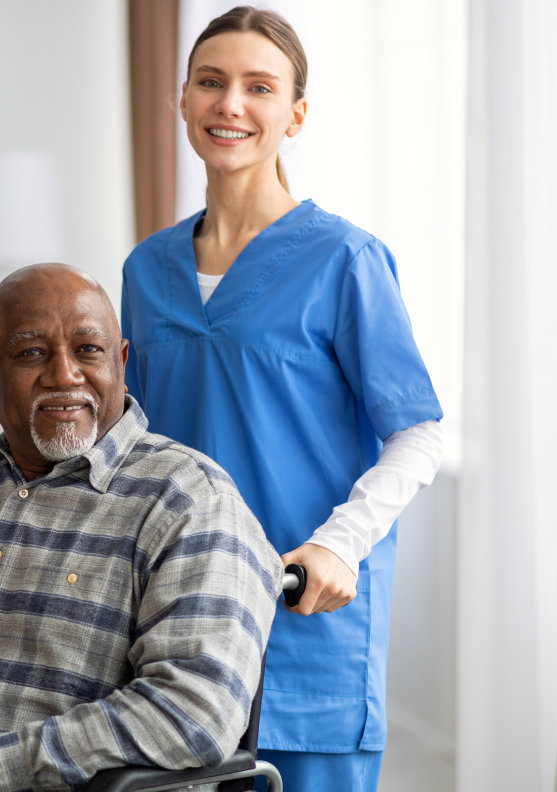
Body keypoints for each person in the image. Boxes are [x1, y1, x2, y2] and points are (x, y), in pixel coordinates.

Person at [120, 8, 445, 791]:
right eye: (211, 83)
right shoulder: (144, 270)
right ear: (184, 101)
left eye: (258, 88)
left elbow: (418, 432)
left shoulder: (345, 259)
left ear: (294, 114)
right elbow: (132, 438)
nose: (230, 104)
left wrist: (340, 543)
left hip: (303, 616)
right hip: (179, 622)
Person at [0, 263, 281, 791]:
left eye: (88, 350)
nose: (64, 374)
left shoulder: (189, 500)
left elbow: (196, 710)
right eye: (30, 353)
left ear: (121, 361)